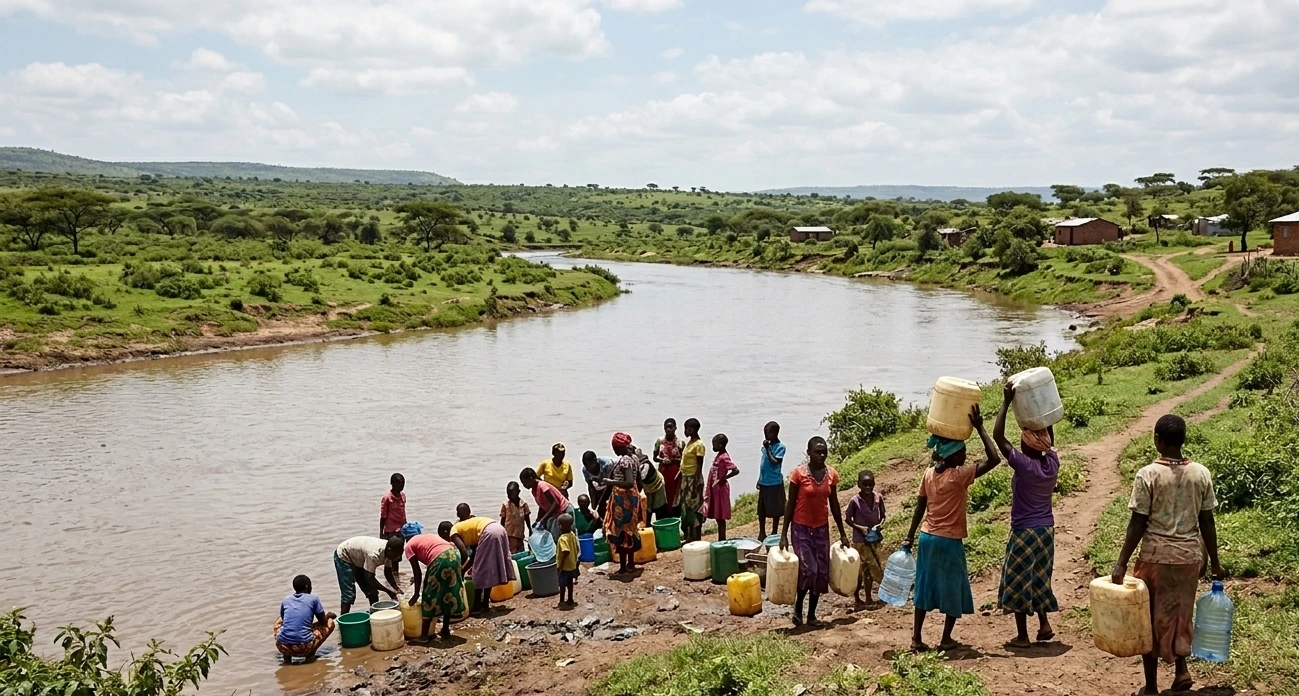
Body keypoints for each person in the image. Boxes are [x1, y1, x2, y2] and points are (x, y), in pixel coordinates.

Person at [1111, 414, 1223, 696]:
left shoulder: (1148, 474)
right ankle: (1181, 671)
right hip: (1189, 558)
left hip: (1156, 558)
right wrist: (1216, 562)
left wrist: (1122, 562)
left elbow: (1137, 522)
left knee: (1149, 619)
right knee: (1181, 614)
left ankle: (1151, 687)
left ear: (1157, 440)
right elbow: (1207, 521)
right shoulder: (1200, 473)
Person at [902, 405, 1001, 652]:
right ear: (953, 457)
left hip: (927, 538)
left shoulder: (928, 474)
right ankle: (945, 639)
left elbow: (919, 508)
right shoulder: (958, 476)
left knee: (924, 588)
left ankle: (916, 638)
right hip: (948, 540)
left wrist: (909, 536)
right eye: (963, 452)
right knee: (953, 587)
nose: (966, 456)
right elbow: (994, 459)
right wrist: (979, 427)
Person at [993, 381, 1061, 647]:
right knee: (1039, 578)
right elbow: (1048, 436)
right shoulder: (1051, 461)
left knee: (1018, 579)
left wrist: (1006, 402)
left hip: (1024, 531)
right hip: (1046, 531)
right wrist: (1041, 406)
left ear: (1027, 446)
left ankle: (1022, 636)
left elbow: (999, 437)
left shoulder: (1025, 465)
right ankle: (1043, 624)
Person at [780, 436, 849, 628]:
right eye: (817, 451)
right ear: (808, 453)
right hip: (801, 528)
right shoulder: (799, 475)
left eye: (824, 451)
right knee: (808, 570)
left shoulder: (831, 475)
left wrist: (842, 533)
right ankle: (798, 608)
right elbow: (790, 504)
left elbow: (834, 505)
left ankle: (811, 615)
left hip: (821, 529)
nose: (821, 455)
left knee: (820, 572)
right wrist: (784, 534)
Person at [405, 526, 466, 641]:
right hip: (454, 554)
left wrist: (416, 594)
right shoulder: (425, 537)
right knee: (448, 592)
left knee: (429, 595)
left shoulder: (409, 546)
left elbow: (417, 572)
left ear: (406, 538)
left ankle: (423, 636)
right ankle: (445, 630)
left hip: (440, 558)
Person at [602, 432, 643, 575]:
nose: (614, 451)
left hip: (623, 500)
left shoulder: (625, 461)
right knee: (630, 531)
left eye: (614, 447)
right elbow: (637, 481)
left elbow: (629, 482)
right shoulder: (634, 458)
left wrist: (610, 482)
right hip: (631, 499)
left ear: (619, 448)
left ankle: (623, 567)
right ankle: (630, 564)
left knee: (621, 531)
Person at [845, 470, 886, 607]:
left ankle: (869, 597)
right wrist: (860, 528)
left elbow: (883, 516)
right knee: (860, 570)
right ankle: (857, 598)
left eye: (870, 484)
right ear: (859, 485)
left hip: (874, 538)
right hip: (860, 541)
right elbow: (848, 519)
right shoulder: (855, 501)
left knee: (871, 568)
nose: (868, 488)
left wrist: (879, 525)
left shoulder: (878, 498)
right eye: (865, 485)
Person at [333, 536, 403, 614]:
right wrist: (388, 591)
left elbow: (388, 573)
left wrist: (396, 588)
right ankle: (343, 621)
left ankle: (374, 616)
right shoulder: (373, 555)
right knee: (349, 595)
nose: (398, 558)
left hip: (359, 559)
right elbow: (370, 578)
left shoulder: (390, 552)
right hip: (344, 555)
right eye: (396, 556)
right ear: (390, 550)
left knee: (373, 593)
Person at [274, 575, 336, 660]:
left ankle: (287, 658)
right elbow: (323, 622)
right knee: (330, 623)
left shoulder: (286, 600)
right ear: (307, 587)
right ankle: (310, 655)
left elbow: (284, 620)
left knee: (278, 622)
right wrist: (328, 616)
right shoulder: (313, 599)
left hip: (283, 646)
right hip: (304, 646)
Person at [521, 467, 575, 541]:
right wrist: (538, 520)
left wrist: (543, 520)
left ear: (531, 478)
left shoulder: (542, 486)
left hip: (564, 511)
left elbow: (555, 503)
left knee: (565, 538)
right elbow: (542, 506)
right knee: (554, 537)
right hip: (556, 513)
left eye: (524, 482)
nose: (523, 485)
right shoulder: (534, 490)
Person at [704, 433, 740, 541]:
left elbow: (735, 470)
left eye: (714, 444)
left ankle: (722, 539)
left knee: (720, 517)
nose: (712, 447)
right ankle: (721, 539)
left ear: (720, 445)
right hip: (715, 489)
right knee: (717, 516)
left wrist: (724, 478)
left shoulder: (724, 457)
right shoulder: (719, 455)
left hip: (720, 490)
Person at [757, 421, 787, 540]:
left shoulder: (780, 447)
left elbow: (775, 461)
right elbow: (762, 464)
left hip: (774, 482)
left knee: (776, 509)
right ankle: (762, 532)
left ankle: (774, 531)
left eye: (768, 433)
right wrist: (759, 479)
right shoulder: (764, 447)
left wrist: (768, 449)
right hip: (764, 482)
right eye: (765, 432)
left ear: (775, 433)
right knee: (762, 510)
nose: (766, 435)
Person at [679, 418, 707, 543]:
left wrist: (695, 484)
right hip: (686, 479)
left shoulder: (699, 445)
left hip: (693, 480)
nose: (685, 431)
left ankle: (697, 536)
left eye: (687, 428)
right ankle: (689, 535)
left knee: (694, 508)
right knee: (686, 508)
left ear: (693, 429)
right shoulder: (689, 443)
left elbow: (699, 467)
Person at [654, 418, 684, 517]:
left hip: (675, 473)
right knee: (663, 496)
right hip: (663, 472)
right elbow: (655, 457)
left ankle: (675, 517)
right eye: (666, 427)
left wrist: (674, 460)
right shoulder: (660, 441)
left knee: (674, 496)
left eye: (671, 427)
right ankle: (663, 516)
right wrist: (662, 460)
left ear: (675, 428)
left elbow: (684, 460)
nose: (668, 430)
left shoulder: (680, 443)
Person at [637, 447, 669, 523]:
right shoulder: (633, 465)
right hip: (647, 489)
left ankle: (660, 529)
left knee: (660, 511)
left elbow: (642, 478)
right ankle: (648, 529)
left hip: (657, 486)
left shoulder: (646, 466)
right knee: (647, 511)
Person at [555, 513, 581, 608]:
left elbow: (565, 551)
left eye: (558, 524)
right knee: (570, 584)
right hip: (572, 565)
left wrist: (560, 565)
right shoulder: (572, 535)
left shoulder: (562, 539)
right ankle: (570, 599)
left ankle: (561, 601)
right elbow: (577, 548)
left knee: (562, 585)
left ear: (561, 526)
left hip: (565, 567)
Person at [500, 481, 533, 554]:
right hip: (509, 534)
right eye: (508, 494)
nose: (509, 496)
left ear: (518, 492)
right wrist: (501, 532)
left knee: (520, 551)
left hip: (520, 534)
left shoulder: (523, 504)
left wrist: (530, 529)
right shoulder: (505, 505)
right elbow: (503, 520)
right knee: (511, 553)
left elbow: (527, 518)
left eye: (511, 494)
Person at [581, 450, 615, 517]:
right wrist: (594, 506)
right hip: (599, 485)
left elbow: (612, 483)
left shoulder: (607, 465)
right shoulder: (585, 470)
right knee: (598, 510)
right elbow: (591, 487)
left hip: (612, 482)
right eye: (586, 466)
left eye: (590, 465)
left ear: (595, 461)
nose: (588, 468)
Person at [379, 473, 407, 539]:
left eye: (403, 483)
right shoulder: (387, 498)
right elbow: (383, 516)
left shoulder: (402, 496)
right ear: (392, 483)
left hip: (402, 529)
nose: (401, 486)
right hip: (391, 531)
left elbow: (403, 513)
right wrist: (381, 532)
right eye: (399, 484)